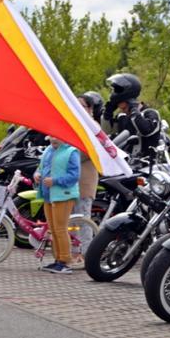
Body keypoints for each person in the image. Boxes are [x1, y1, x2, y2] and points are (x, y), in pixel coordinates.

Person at [34, 136, 81, 274]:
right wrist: (37, 174)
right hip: (48, 195)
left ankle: (65, 262)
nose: (53, 139)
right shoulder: (48, 150)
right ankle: (58, 260)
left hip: (63, 195)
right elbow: (40, 168)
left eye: (56, 137)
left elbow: (74, 175)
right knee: (53, 229)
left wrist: (55, 181)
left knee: (60, 229)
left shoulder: (71, 151)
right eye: (51, 136)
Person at [69, 94, 101, 268]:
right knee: (71, 220)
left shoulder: (93, 127)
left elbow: (86, 152)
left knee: (82, 218)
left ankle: (86, 255)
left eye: (82, 106)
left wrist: (67, 157)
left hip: (84, 180)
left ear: (90, 109)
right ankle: (74, 253)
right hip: (68, 180)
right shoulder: (72, 124)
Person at [102, 73, 161, 159]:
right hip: (125, 162)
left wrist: (134, 109)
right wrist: (107, 114)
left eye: (124, 107)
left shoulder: (150, 113)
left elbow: (146, 130)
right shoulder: (122, 117)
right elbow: (107, 132)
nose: (122, 109)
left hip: (147, 164)